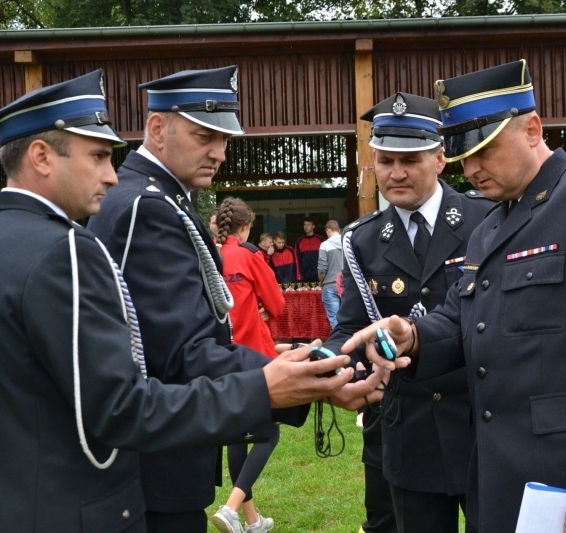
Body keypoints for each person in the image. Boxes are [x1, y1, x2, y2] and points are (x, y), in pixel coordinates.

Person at [0, 70, 359, 533]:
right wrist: (268, 385)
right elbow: (144, 379)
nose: (111, 174)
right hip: (85, 499)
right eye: (98, 156)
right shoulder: (78, 243)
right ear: (41, 156)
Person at [341, 59, 566, 533]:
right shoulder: (492, 227)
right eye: (463, 154)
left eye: (485, 149)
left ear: (532, 128)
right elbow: (466, 321)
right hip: (503, 486)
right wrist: (412, 335)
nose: (472, 168)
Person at [86, 67, 377, 532]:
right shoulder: (148, 207)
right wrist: (300, 378)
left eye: (223, 138)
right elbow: (178, 354)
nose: (219, 152)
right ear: (158, 128)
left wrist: (287, 364)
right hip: (155, 462)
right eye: (205, 135)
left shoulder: (153, 198)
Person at [323, 92, 494, 533]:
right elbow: (352, 327)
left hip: (481, 423)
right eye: (384, 161)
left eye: (411, 160)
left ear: (440, 159)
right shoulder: (361, 239)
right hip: (406, 428)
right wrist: (328, 361)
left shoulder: (487, 221)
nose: (395, 173)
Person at [212, 197, 284, 533]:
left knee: (236, 435)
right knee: (269, 433)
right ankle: (230, 508)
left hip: (218, 357)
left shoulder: (210, 256)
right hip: (254, 357)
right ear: (245, 227)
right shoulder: (249, 255)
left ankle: (252, 520)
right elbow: (278, 303)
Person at [317, 219, 344, 329]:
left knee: (334, 318)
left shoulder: (324, 245)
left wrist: (321, 281)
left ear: (328, 229)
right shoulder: (347, 242)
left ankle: (338, 343)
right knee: (347, 317)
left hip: (330, 285)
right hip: (346, 284)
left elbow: (322, 269)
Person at [295, 217, 324, 282]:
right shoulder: (299, 241)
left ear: (313, 226)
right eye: (305, 225)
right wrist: (299, 276)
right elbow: (297, 260)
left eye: (308, 224)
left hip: (318, 275)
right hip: (304, 276)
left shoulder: (321, 240)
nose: (306, 227)